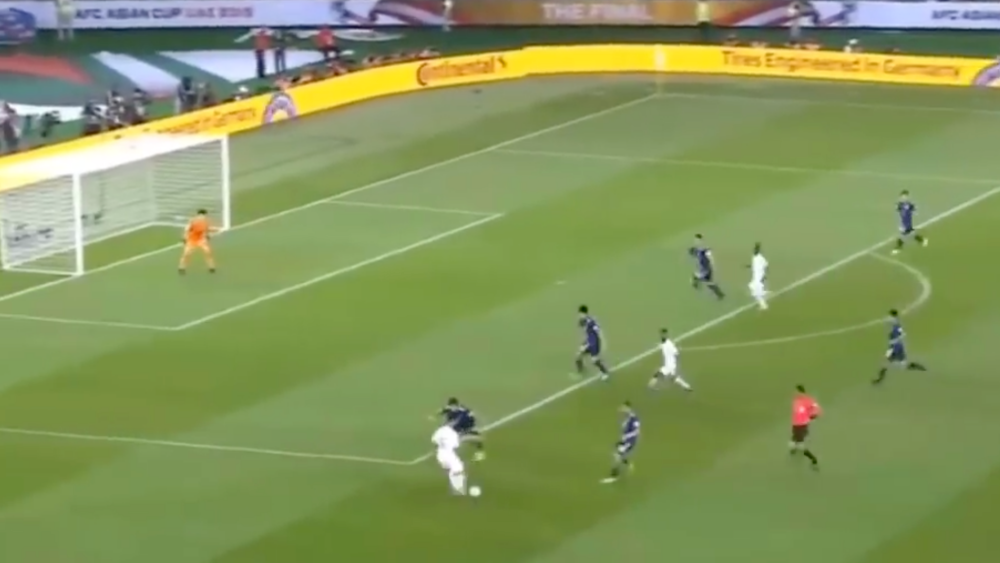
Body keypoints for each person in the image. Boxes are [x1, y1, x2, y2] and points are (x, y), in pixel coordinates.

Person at [431, 423, 468, 495]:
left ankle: (456, 487)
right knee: (458, 469)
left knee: (451, 469)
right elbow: (456, 446)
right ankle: (458, 490)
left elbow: (434, 442)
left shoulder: (439, 432)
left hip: (440, 455)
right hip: (449, 455)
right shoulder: (453, 434)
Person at [790, 385, 821, 469]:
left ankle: (813, 459)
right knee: (793, 442)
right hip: (796, 424)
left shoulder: (807, 400)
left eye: (795, 391)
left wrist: (814, 415)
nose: (794, 393)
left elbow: (815, 407)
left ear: (800, 391)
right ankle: (794, 448)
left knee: (800, 446)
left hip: (802, 425)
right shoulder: (796, 400)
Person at [178, 209, 216, 274]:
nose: (203, 217)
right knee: (186, 254)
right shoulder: (193, 221)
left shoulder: (205, 222)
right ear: (199, 215)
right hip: (192, 240)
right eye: (202, 215)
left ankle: (211, 267)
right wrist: (184, 237)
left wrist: (209, 234)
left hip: (201, 239)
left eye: (204, 216)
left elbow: (206, 229)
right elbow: (187, 229)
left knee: (207, 252)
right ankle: (181, 267)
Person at [749, 242, 769, 310]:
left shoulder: (760, 258)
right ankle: (763, 293)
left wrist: (764, 275)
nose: (754, 251)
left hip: (759, 277)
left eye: (755, 250)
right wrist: (748, 266)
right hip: (755, 277)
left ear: (757, 251)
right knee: (751, 286)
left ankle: (764, 306)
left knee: (756, 293)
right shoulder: (754, 257)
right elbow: (754, 266)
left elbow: (766, 265)